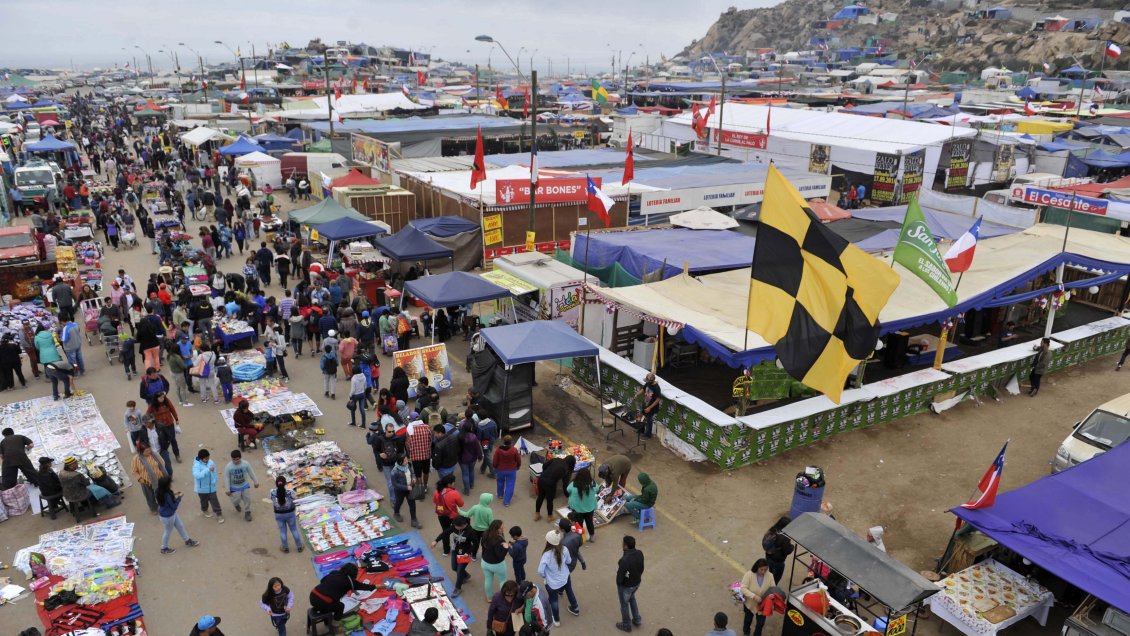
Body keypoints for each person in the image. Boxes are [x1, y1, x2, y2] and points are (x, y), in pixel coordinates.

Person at [309, 563, 376, 622]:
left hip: (312, 595)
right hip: (321, 602)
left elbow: (322, 581)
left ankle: (326, 615)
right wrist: (378, 586)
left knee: (333, 598)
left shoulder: (334, 573)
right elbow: (365, 587)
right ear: (354, 574)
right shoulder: (350, 582)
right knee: (340, 606)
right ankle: (336, 624)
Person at [538, 529, 579, 627]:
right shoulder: (564, 549)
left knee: (553, 601)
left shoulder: (546, 555)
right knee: (569, 590)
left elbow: (540, 571)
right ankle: (575, 608)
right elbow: (569, 561)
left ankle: (556, 620)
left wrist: (545, 576)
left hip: (552, 583)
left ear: (548, 542)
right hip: (565, 577)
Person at [155, 475, 200, 554]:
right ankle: (164, 548)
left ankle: (187, 540)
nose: (171, 484)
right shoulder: (167, 495)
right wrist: (179, 497)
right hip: (168, 517)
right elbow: (174, 506)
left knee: (180, 526)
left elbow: (167, 497)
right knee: (167, 531)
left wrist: (174, 494)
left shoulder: (158, 491)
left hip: (168, 515)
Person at [432, 514, 474, 596]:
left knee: (459, 570)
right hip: (455, 550)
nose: (454, 527)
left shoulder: (470, 531)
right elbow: (445, 533)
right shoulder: (454, 527)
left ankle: (458, 588)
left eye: (456, 526)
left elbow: (475, 544)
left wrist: (468, 552)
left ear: (463, 525)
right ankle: (466, 576)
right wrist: (436, 541)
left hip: (464, 554)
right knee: (454, 567)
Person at [614, 534, 646, 632]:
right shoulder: (640, 553)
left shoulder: (624, 560)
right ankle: (637, 619)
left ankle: (626, 625)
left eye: (623, 543)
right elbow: (641, 568)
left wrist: (620, 585)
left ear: (626, 546)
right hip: (636, 583)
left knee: (624, 605)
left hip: (626, 586)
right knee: (632, 599)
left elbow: (620, 578)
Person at [132, 440, 170, 514]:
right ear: (141, 451)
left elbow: (162, 463)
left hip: (159, 479)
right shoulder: (136, 459)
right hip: (146, 481)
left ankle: (163, 506)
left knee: (161, 494)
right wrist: (140, 479)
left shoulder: (154, 455)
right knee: (149, 496)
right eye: (146, 451)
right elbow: (134, 471)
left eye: (149, 449)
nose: (149, 452)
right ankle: (153, 509)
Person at [535, 455, 576, 522]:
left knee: (540, 496)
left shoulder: (556, 459)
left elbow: (544, 465)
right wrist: (568, 495)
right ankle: (550, 516)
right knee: (549, 500)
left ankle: (537, 514)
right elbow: (565, 484)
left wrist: (546, 473)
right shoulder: (566, 469)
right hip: (550, 483)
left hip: (541, 479)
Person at [740, 559, 773, 636]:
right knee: (748, 620)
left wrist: (772, 595)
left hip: (763, 606)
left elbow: (773, 588)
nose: (763, 572)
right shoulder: (749, 575)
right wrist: (753, 596)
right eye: (761, 569)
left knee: (760, 623)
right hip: (750, 604)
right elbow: (743, 588)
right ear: (756, 567)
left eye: (765, 569)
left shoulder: (770, 576)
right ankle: (746, 632)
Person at [225, 449, 260, 522]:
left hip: (244, 485)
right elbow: (227, 478)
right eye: (234, 459)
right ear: (231, 459)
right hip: (234, 487)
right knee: (235, 500)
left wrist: (256, 482)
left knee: (247, 499)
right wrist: (227, 489)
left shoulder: (246, 464)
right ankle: (236, 504)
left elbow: (251, 473)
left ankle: (247, 512)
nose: (235, 461)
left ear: (240, 458)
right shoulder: (228, 467)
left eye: (237, 459)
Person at [147, 392, 182, 463]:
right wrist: (152, 422)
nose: (162, 399)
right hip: (160, 427)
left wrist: (176, 419)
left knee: (173, 440)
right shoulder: (152, 405)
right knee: (162, 441)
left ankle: (177, 455)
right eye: (160, 398)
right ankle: (163, 456)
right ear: (156, 398)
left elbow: (173, 410)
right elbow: (147, 414)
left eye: (163, 397)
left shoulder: (167, 401)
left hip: (170, 424)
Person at [480, 519, 510, 601]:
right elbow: (500, 556)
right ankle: (503, 599)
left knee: (488, 579)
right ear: (497, 529)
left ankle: (489, 598)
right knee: (502, 580)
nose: (503, 529)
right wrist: (506, 548)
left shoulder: (485, 533)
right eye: (501, 528)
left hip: (485, 562)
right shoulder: (498, 540)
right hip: (497, 565)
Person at [390, 452, 422, 528]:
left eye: (406, 459)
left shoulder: (409, 465)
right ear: (400, 462)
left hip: (410, 489)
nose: (407, 461)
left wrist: (414, 478)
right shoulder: (394, 472)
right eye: (405, 460)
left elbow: (413, 472)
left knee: (412, 504)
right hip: (400, 491)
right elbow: (395, 484)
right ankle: (396, 512)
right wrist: (406, 487)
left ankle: (414, 520)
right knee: (399, 502)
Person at [192, 449, 224, 523]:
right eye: (206, 458)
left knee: (214, 501)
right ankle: (205, 510)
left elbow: (214, 471)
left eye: (208, 458)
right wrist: (207, 470)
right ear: (201, 458)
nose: (207, 459)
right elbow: (197, 475)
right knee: (204, 501)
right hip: (202, 489)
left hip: (211, 487)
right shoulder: (196, 465)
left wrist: (215, 479)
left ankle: (219, 514)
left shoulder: (211, 462)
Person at [567, 467, 599, 540]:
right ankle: (592, 536)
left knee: (579, 523)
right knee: (589, 522)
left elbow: (568, 490)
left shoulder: (573, 484)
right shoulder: (593, 484)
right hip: (589, 508)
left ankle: (580, 537)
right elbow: (597, 489)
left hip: (577, 509)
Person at [273, 476, 303, 553]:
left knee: (282, 531)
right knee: (294, 529)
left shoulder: (272, 492)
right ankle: (299, 546)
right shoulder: (290, 492)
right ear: (285, 483)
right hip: (290, 514)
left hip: (279, 515)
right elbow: (294, 498)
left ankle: (285, 547)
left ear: (276, 484)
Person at [761, 517, 793, 585]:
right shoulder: (784, 537)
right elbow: (787, 550)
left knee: (770, 572)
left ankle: (766, 584)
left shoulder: (772, 529)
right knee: (776, 578)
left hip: (769, 556)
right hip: (778, 561)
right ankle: (771, 590)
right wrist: (792, 547)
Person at [493, 435, 522, 507]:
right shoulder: (514, 450)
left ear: (504, 441)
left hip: (500, 470)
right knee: (510, 485)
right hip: (511, 470)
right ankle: (506, 502)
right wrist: (518, 466)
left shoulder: (498, 450)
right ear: (511, 442)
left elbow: (495, 461)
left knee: (500, 482)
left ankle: (500, 495)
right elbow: (518, 460)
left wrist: (495, 467)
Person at [633, 372, 662, 438]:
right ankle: (641, 430)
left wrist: (649, 408)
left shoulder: (656, 388)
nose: (647, 382)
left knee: (649, 420)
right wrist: (637, 394)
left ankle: (648, 435)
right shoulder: (648, 383)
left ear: (652, 380)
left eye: (648, 381)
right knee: (642, 418)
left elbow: (658, 399)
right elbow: (643, 389)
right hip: (645, 403)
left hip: (651, 407)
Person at [458, 420, 483, 495]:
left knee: (465, 474)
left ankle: (467, 490)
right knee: (471, 471)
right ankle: (472, 485)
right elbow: (478, 448)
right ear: (470, 428)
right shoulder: (474, 437)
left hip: (462, 459)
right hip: (472, 458)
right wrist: (480, 457)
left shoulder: (459, 436)